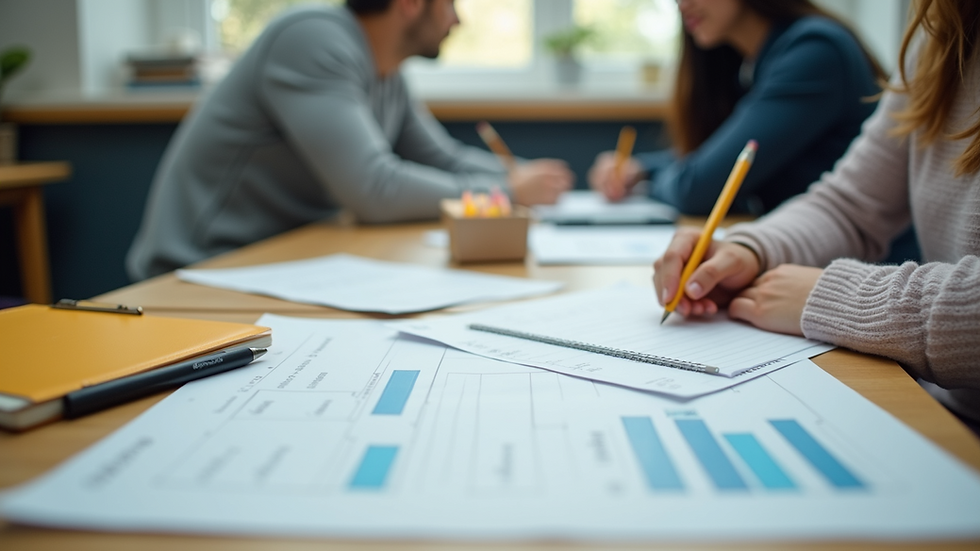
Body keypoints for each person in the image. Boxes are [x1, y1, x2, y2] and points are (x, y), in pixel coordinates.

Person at [653, 0, 980, 423]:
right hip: (940, 402)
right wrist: (751, 250)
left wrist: (832, 296)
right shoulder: (941, 39)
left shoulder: (813, 48)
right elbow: (849, 205)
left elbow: (696, 184)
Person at [126, 0, 573, 280]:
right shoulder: (312, 39)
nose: (458, 18)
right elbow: (374, 187)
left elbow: (442, 157)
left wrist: (519, 175)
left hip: (291, 259)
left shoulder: (386, 71)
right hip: (205, 269)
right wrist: (506, 192)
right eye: (451, 2)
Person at [588, 0, 883, 215]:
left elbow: (699, 189)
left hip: (868, 271)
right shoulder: (750, 63)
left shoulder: (814, 52)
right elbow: (709, 161)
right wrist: (641, 169)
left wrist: (653, 180)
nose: (681, 4)